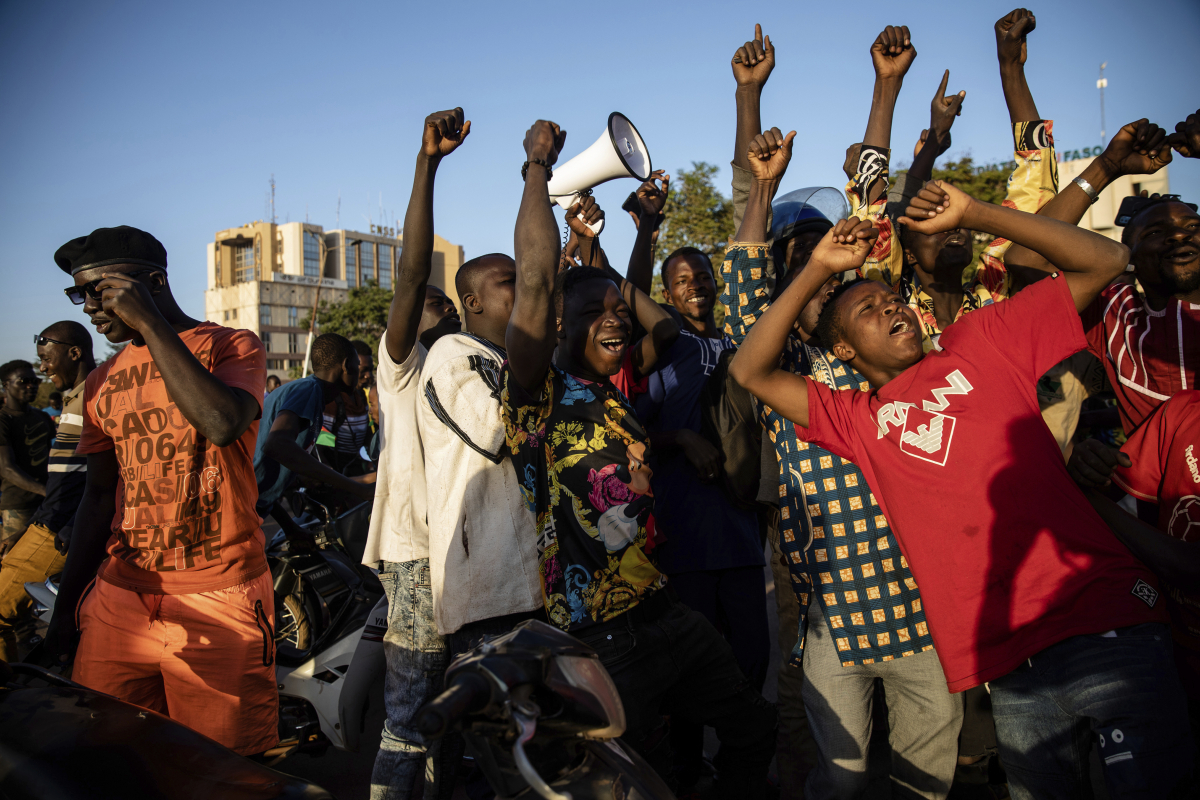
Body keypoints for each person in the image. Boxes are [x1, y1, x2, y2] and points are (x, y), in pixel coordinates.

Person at [728, 121, 1195, 796]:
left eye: (890, 298)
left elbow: (1104, 262)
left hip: (1105, 622)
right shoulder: (856, 420)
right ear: (847, 356)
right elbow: (749, 369)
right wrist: (821, 270)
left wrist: (976, 213)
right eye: (866, 310)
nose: (890, 305)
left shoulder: (980, 340)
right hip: (1012, 665)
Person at [722, 27, 964, 800]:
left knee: (929, 780)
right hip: (832, 622)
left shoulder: (894, 355)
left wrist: (885, 88)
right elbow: (743, 279)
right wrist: (754, 138)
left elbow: (876, 212)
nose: (825, 278)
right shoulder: (787, 372)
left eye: (837, 272)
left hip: (925, 616)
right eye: (804, 272)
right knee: (838, 778)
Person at [502, 118, 777, 798]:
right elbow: (537, 285)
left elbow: (649, 315)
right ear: (559, 328)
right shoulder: (537, 397)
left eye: (616, 309)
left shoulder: (614, 391)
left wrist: (633, 242)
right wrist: (537, 169)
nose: (615, 318)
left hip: (663, 609)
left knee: (754, 728)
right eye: (594, 312)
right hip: (597, 639)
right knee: (621, 778)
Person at [44, 225, 276, 756]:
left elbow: (222, 422)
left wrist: (148, 321)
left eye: (98, 291)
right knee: (110, 759)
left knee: (223, 772)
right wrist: (65, 618)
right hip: (119, 599)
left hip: (220, 596)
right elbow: (98, 498)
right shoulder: (102, 381)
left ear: (152, 282)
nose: (88, 307)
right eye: (77, 294)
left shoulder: (229, 345)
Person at [365, 107, 468, 800]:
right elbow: (408, 277)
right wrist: (427, 165)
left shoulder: (468, 365)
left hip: (470, 556)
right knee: (408, 718)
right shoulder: (401, 365)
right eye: (428, 302)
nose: (440, 307)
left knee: (459, 711)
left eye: (448, 302)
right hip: (414, 556)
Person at [1066, 391, 1200, 757]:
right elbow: (1122, 485)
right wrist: (1089, 464)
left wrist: (1087, 497)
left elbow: (1189, 567)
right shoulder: (1183, 411)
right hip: (1172, 657)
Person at [0, 324, 94, 662]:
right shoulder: (75, 397)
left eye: (46, 359)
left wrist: (69, 526)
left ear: (74, 353)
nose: (42, 370)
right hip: (45, 523)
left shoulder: (95, 395)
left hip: (56, 530)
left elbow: (110, 477)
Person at [254, 332, 375, 529]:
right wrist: (359, 489)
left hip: (252, 506)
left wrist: (291, 529)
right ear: (346, 365)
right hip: (239, 505)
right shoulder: (309, 390)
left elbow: (266, 482)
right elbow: (276, 445)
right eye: (357, 365)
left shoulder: (313, 392)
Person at [0, 360, 53, 557]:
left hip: (46, 504)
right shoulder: (3, 420)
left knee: (41, 562)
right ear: (6, 384)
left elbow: (51, 459)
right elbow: (6, 468)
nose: (31, 385)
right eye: (23, 381)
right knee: (14, 562)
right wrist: (45, 491)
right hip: (18, 505)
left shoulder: (42, 417)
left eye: (34, 381)